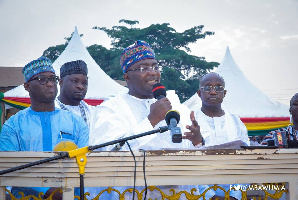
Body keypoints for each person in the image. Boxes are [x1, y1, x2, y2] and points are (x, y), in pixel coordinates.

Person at [89, 40, 202, 199]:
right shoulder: (111, 109)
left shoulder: (177, 106)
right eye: (143, 68)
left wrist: (198, 141)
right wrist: (151, 121)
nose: (152, 72)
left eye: (155, 66)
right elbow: (109, 154)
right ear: (127, 76)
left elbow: (196, 160)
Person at [0, 56, 89, 199]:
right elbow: (9, 166)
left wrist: (65, 192)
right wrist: (47, 191)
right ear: (27, 86)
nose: (50, 84)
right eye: (42, 79)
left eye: (53, 79)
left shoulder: (76, 123)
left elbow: (84, 162)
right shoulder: (13, 125)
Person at [195, 72, 250, 200]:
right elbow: (187, 164)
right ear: (199, 93)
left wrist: (236, 196)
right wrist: (210, 196)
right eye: (207, 88)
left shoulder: (236, 122)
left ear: (224, 93)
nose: (213, 92)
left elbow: (248, 161)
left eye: (218, 88)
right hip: (199, 195)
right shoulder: (190, 121)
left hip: (235, 194)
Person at [55, 60, 93, 128]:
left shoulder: (92, 113)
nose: (80, 86)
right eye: (75, 81)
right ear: (61, 82)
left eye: (84, 83)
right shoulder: (50, 112)